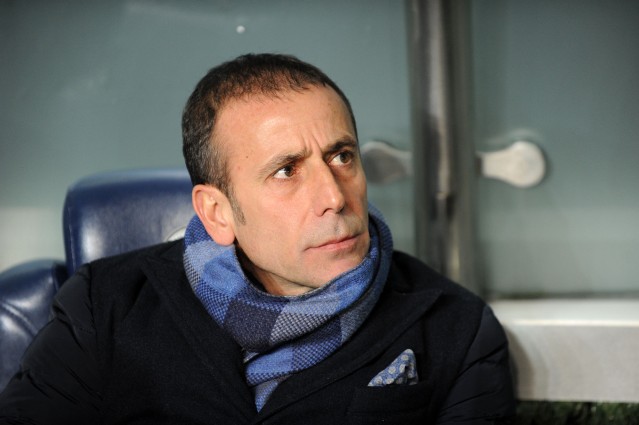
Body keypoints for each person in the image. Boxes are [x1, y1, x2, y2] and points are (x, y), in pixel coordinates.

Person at [0, 53, 515, 424]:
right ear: (218, 212)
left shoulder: (457, 328)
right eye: (287, 170)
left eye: (342, 156)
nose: (334, 197)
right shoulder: (104, 306)